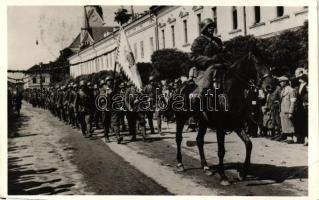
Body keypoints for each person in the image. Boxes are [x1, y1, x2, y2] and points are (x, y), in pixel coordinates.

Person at [189, 18, 224, 96]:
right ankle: (197, 102)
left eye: (212, 26)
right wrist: (209, 60)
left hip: (220, 66)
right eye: (209, 26)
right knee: (204, 88)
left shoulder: (217, 40)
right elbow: (193, 56)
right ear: (204, 28)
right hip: (203, 69)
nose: (212, 28)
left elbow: (223, 52)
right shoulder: (198, 41)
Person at [278, 76, 297, 144]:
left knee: (289, 124)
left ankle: (290, 137)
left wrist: (291, 112)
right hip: (283, 109)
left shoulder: (291, 90)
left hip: (288, 110)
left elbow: (293, 102)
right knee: (285, 124)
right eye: (280, 82)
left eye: (281, 82)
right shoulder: (283, 90)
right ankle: (287, 137)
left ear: (285, 82)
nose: (280, 83)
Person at [294, 69, 308, 145]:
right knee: (299, 121)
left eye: (302, 78)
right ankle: (301, 138)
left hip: (304, 105)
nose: (300, 79)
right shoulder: (299, 85)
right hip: (299, 106)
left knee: (305, 122)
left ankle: (306, 138)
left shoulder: (306, 85)